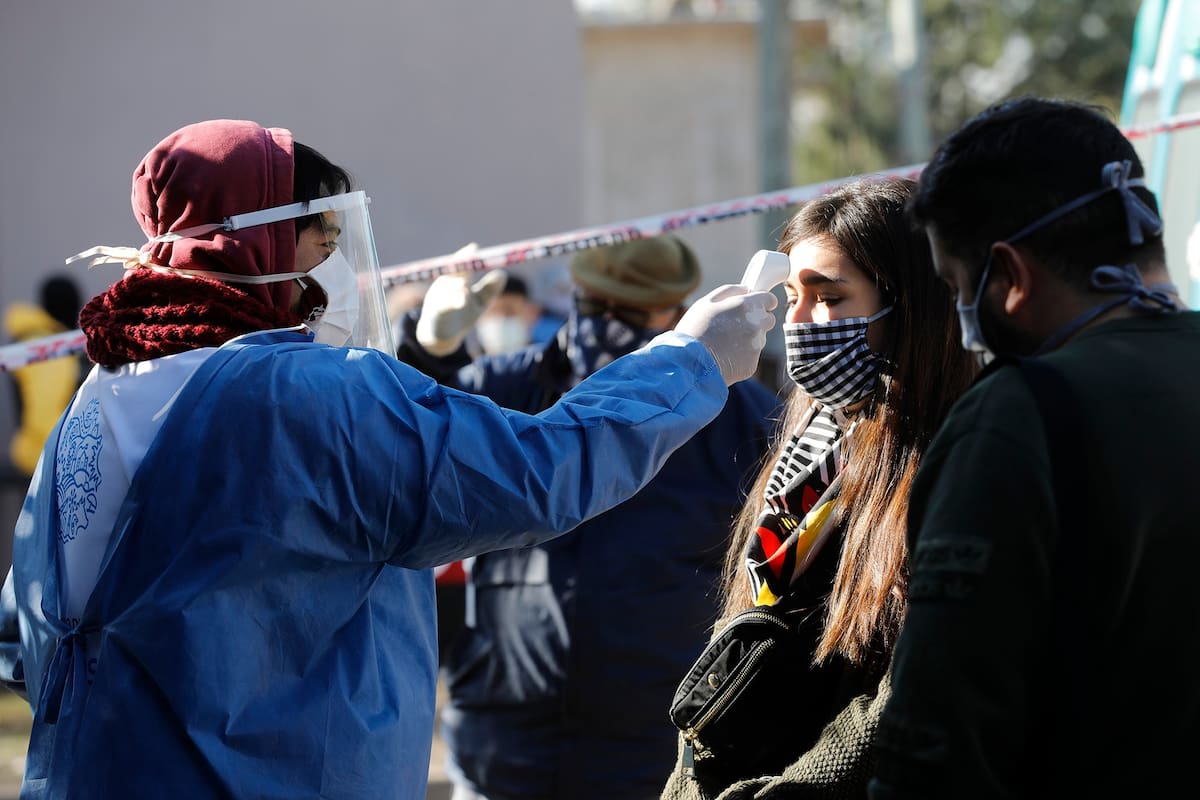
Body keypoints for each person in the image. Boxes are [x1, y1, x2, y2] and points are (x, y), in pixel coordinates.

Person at [0, 118, 779, 800]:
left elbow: (23, 634)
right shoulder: (307, 393)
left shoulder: (97, 399)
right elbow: (540, 473)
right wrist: (690, 361)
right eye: (323, 239)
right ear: (257, 239)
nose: (335, 267)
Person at [867, 97, 1198, 799]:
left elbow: (936, 741)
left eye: (959, 288)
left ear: (1011, 276)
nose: (963, 322)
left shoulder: (1020, 416)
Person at [395, 234, 783, 800]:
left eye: (629, 311)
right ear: (576, 295)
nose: (605, 324)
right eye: (596, 305)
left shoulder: (738, 418)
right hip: (503, 739)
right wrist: (430, 346)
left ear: (677, 311)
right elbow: (415, 437)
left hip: (654, 745)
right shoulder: (510, 386)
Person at [659, 177, 980, 799]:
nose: (799, 321)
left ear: (912, 307)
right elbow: (753, 634)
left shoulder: (958, 457)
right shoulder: (820, 431)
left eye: (829, 297)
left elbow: (916, 684)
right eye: (791, 296)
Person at [3, 275, 86, 478]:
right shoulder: (49, 350)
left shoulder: (33, 342)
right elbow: (45, 408)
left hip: (36, 456)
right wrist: (64, 460)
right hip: (48, 462)